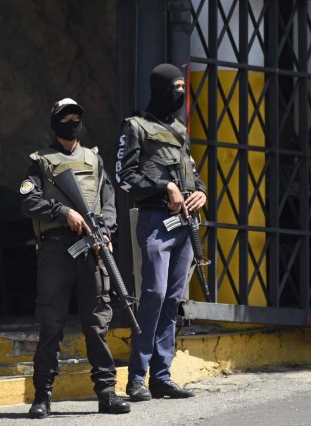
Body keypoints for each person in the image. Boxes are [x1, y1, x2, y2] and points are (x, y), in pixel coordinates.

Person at [20, 98, 130, 418]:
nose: (72, 122)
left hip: (91, 248)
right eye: (66, 117)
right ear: (55, 123)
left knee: (97, 323)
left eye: (76, 117)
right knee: (51, 323)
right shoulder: (41, 161)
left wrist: (105, 232)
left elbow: (109, 203)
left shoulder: (94, 160)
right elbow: (28, 201)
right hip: (56, 248)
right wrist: (63, 212)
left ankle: (107, 392)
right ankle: (42, 395)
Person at [116, 63, 207, 401]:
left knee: (172, 300)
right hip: (156, 222)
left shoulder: (180, 129)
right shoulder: (136, 127)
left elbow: (192, 174)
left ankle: (162, 376)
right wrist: (164, 186)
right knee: (152, 295)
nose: (180, 94)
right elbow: (124, 176)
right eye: (176, 87)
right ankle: (136, 378)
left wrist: (201, 192)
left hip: (185, 226)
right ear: (160, 88)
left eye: (184, 87)